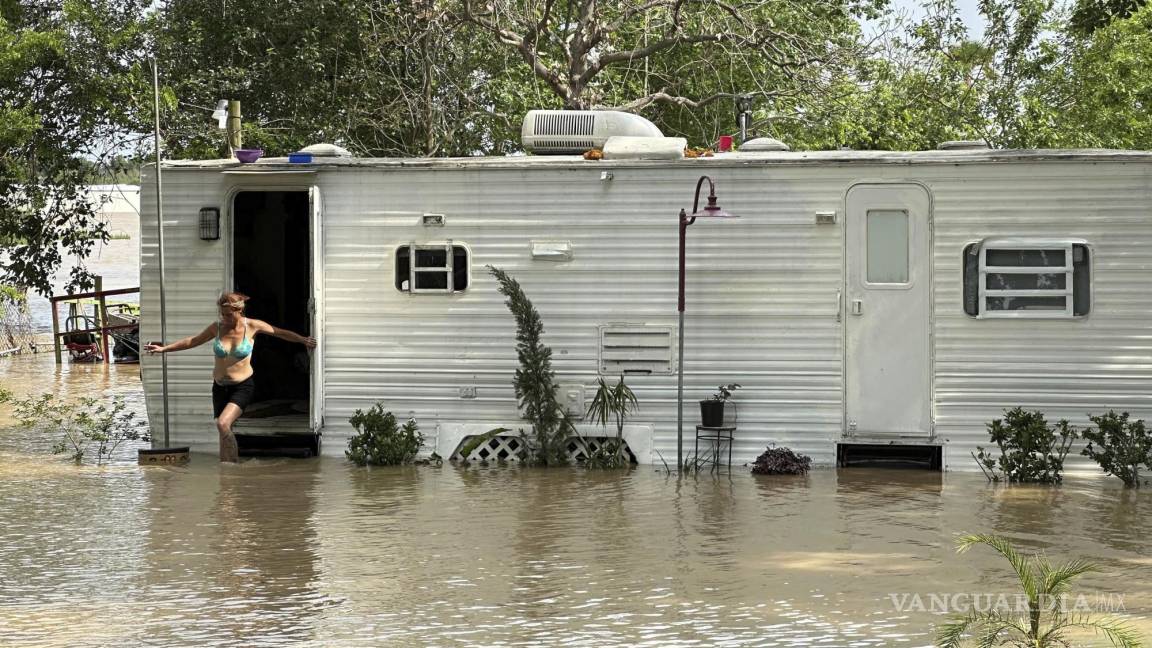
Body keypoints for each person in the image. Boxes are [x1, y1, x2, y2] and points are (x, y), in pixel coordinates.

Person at [144, 292, 317, 462]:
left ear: (239, 311)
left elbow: (280, 332)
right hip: (219, 387)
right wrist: (164, 349)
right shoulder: (216, 327)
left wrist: (303, 340)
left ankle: (234, 465)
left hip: (242, 386)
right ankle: (226, 474)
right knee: (223, 430)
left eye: (228, 315)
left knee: (223, 423)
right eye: (222, 314)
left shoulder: (252, 326)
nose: (225, 318)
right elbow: (193, 341)